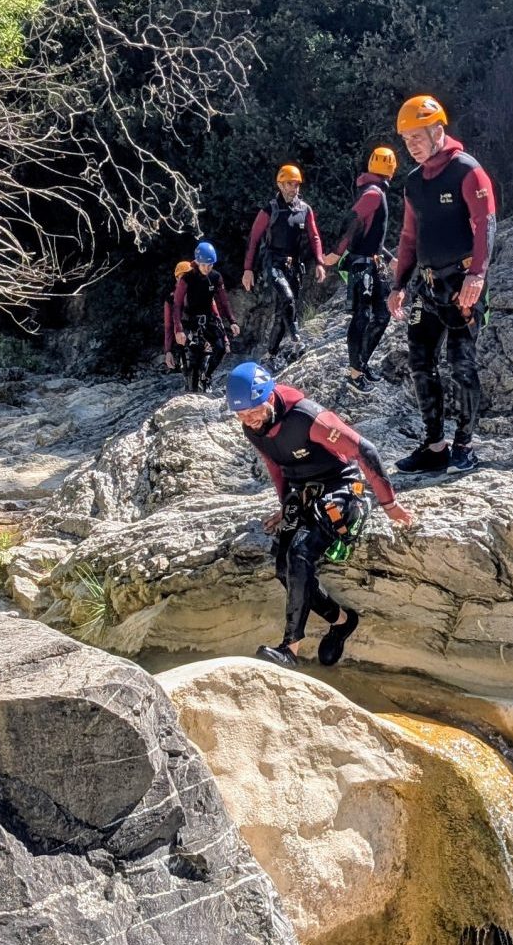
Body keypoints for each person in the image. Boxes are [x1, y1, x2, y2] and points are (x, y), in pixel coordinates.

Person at [222, 360, 414, 669]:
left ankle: (289, 649)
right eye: (241, 415)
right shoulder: (252, 424)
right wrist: (286, 504)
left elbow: (365, 450)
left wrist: (389, 505)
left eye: (253, 411)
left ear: (269, 397)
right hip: (303, 489)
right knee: (285, 570)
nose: (249, 420)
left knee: (300, 554)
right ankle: (342, 622)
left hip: (341, 485)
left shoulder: (308, 417)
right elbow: (275, 465)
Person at [386, 95, 496, 475]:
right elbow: (408, 237)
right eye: (406, 139)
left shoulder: (467, 171)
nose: (412, 145)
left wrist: (478, 274)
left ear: (438, 130)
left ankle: (465, 445)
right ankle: (434, 445)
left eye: (418, 136)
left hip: (463, 284)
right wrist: (398, 283)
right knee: (420, 362)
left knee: (461, 366)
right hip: (428, 287)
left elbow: (486, 224)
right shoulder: (414, 183)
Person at [322, 146, 399, 386]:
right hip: (361, 265)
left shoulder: (373, 192)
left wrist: (388, 258)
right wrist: (337, 252)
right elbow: (353, 221)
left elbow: (370, 236)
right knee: (363, 316)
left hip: (371, 263)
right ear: (392, 170)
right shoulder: (374, 194)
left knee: (382, 314)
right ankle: (355, 372)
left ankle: (361, 364)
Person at [243, 165, 328, 361]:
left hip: (294, 266)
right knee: (288, 299)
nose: (294, 188)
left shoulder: (305, 210)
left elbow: (314, 237)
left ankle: (270, 355)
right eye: (290, 184)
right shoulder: (270, 210)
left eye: (297, 184)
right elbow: (254, 239)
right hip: (273, 263)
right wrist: (248, 269)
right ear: (280, 184)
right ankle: (297, 338)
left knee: (282, 313)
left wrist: (320, 262)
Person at [163, 240, 238, 393]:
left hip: (207, 319)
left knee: (220, 348)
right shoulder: (181, 287)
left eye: (210, 265)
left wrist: (232, 322)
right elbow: (172, 317)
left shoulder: (214, 277)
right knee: (194, 357)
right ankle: (192, 389)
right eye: (203, 265)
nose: (206, 268)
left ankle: (206, 377)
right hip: (189, 322)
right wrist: (172, 343)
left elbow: (221, 303)